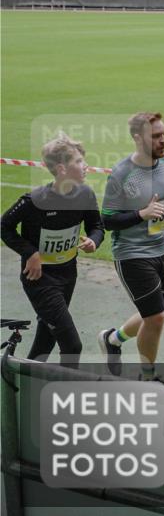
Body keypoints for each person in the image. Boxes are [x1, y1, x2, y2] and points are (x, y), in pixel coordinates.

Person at [97, 112, 164, 381]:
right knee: (156, 318)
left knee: (155, 315)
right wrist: (141, 214)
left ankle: (112, 339)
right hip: (133, 255)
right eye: (157, 136)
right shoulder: (122, 174)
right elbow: (107, 220)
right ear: (138, 138)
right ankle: (147, 377)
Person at [1, 134, 104, 368]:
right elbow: (4, 226)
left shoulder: (85, 194)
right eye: (78, 161)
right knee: (72, 345)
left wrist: (93, 242)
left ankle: (21, 391)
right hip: (40, 279)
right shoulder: (34, 200)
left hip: (68, 276)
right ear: (61, 169)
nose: (85, 165)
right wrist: (30, 253)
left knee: (45, 342)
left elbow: (97, 226)